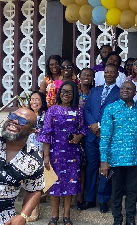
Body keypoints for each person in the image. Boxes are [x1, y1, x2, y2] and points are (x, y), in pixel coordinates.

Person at [37, 81, 86, 225]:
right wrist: (46, 156)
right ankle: (54, 216)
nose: (66, 94)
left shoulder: (78, 110)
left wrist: (79, 137)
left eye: (69, 92)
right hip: (54, 153)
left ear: (74, 95)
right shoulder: (52, 110)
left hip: (72, 153)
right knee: (54, 183)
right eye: (64, 91)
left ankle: (66, 216)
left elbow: (83, 129)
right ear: (59, 93)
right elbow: (46, 134)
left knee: (70, 184)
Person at [100, 81, 137, 225]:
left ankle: (130, 219)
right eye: (123, 88)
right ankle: (117, 219)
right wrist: (104, 160)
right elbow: (105, 136)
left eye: (129, 89)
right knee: (117, 191)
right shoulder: (111, 109)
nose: (125, 90)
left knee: (132, 191)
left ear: (135, 93)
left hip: (136, 158)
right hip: (116, 159)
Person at [79, 64, 120, 212]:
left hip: (107, 136)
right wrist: (93, 125)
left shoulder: (120, 92)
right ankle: (90, 199)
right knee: (91, 168)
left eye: (112, 72)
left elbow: (117, 113)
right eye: (106, 72)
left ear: (116, 75)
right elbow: (87, 109)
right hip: (91, 136)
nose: (109, 74)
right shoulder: (94, 91)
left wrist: (101, 127)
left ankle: (103, 199)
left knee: (105, 168)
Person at [0, 108, 44, 225]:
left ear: (31, 131)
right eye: (13, 116)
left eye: (22, 121)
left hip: (4, 219)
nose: (15, 121)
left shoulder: (34, 160)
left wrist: (23, 215)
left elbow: (35, 190)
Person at [26, 91, 48, 222]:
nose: (34, 102)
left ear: (42, 101)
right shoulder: (26, 114)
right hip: (27, 150)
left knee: (37, 180)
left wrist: (38, 131)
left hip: (41, 150)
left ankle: (35, 210)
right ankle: (34, 208)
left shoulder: (46, 115)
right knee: (31, 180)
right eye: (32, 99)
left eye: (37, 99)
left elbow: (49, 131)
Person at [77, 68, 95, 207]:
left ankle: (84, 195)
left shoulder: (95, 93)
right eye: (84, 75)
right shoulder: (74, 92)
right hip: (76, 132)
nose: (86, 77)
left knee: (87, 166)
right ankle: (78, 195)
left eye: (89, 75)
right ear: (79, 77)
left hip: (91, 133)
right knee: (78, 167)